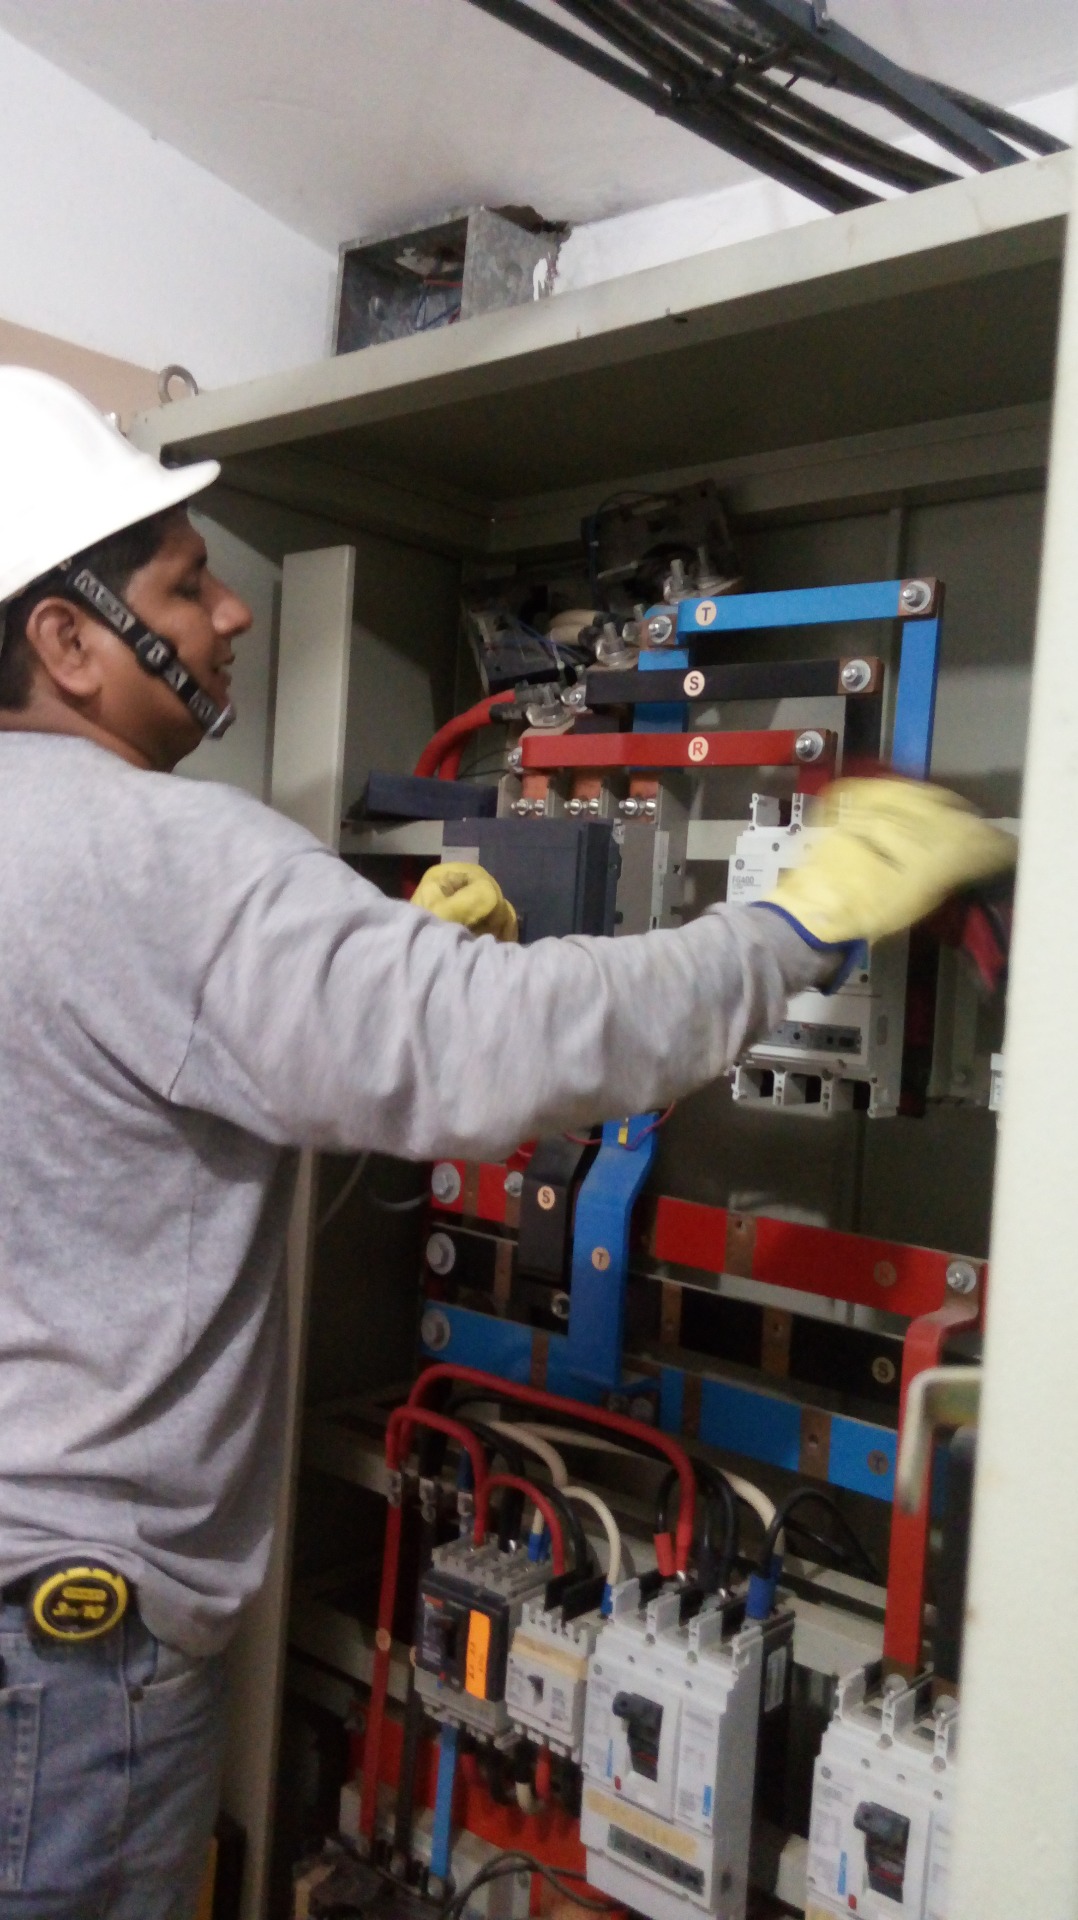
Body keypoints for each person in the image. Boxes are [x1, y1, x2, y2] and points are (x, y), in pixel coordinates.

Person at [0, 368, 1014, 1919]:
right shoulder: (157, 850)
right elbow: (498, 1050)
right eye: (187, 587)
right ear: (70, 643)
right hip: (69, 1648)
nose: (234, 613)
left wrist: (375, 968)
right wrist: (793, 924)